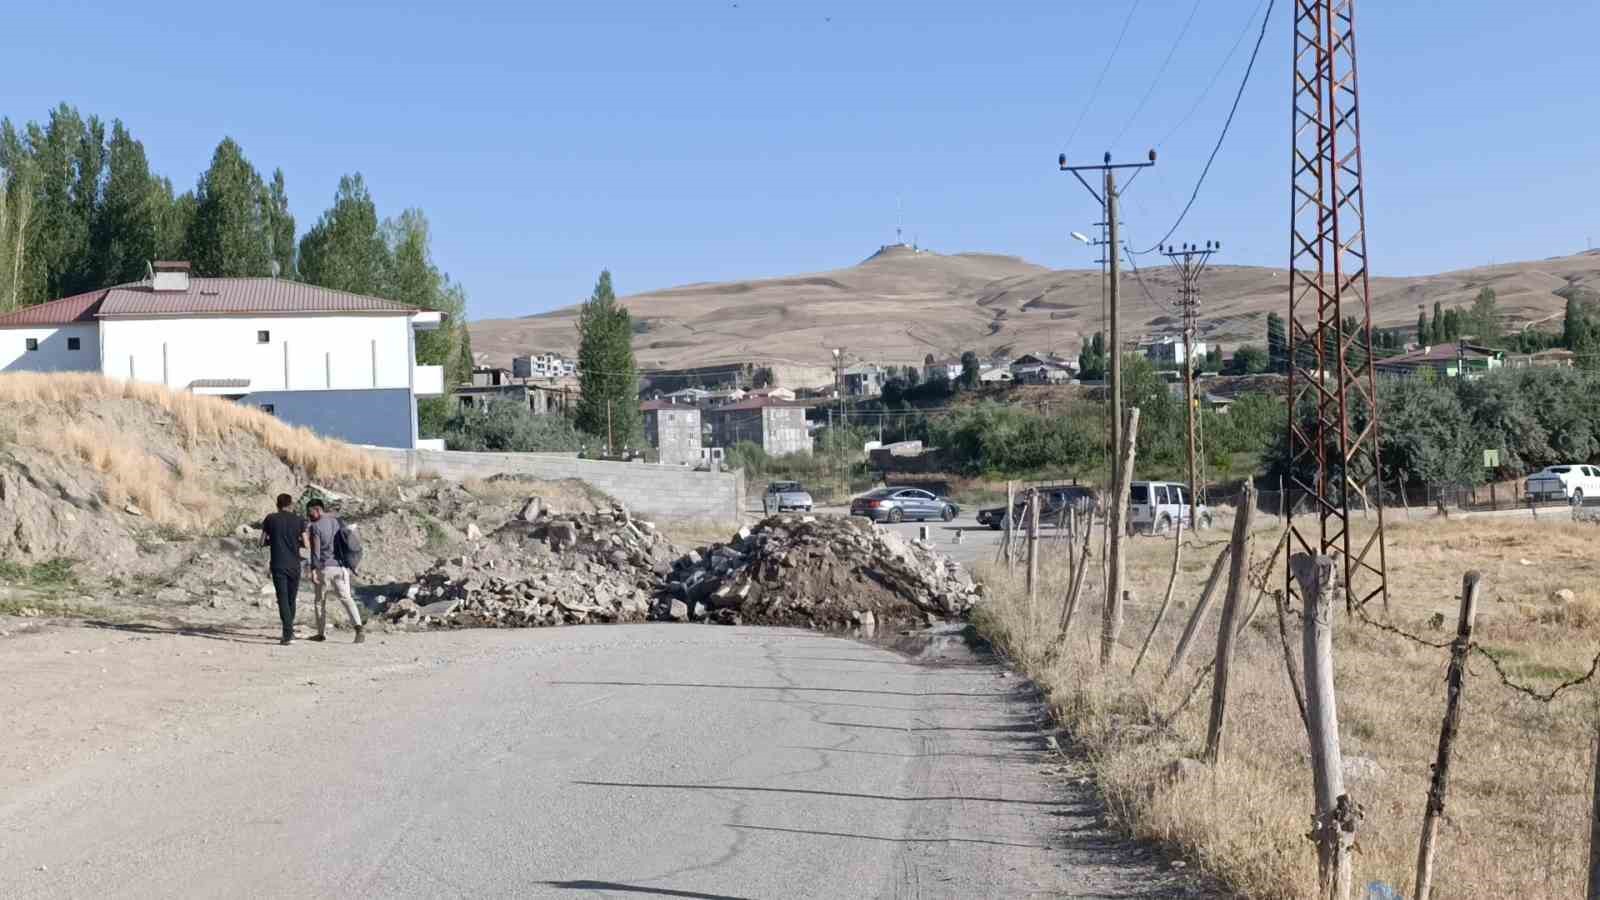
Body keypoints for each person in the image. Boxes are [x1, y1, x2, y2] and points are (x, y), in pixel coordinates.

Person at [306, 500, 365, 644]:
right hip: (341, 567)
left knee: (320, 602)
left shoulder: (316, 527)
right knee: (347, 599)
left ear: (318, 510)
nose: (308, 515)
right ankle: (359, 629)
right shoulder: (337, 521)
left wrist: (313, 569)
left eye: (310, 512)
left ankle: (321, 634)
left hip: (324, 569)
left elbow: (316, 552)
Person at [260, 493, 307, 645]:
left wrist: (272, 541)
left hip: (278, 564)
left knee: (283, 599)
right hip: (295, 565)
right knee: (291, 599)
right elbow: (306, 544)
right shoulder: (299, 520)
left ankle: (288, 633)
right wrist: (295, 542)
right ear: (291, 504)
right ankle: (289, 631)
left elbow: (261, 541)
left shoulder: (270, 519)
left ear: (277, 504)